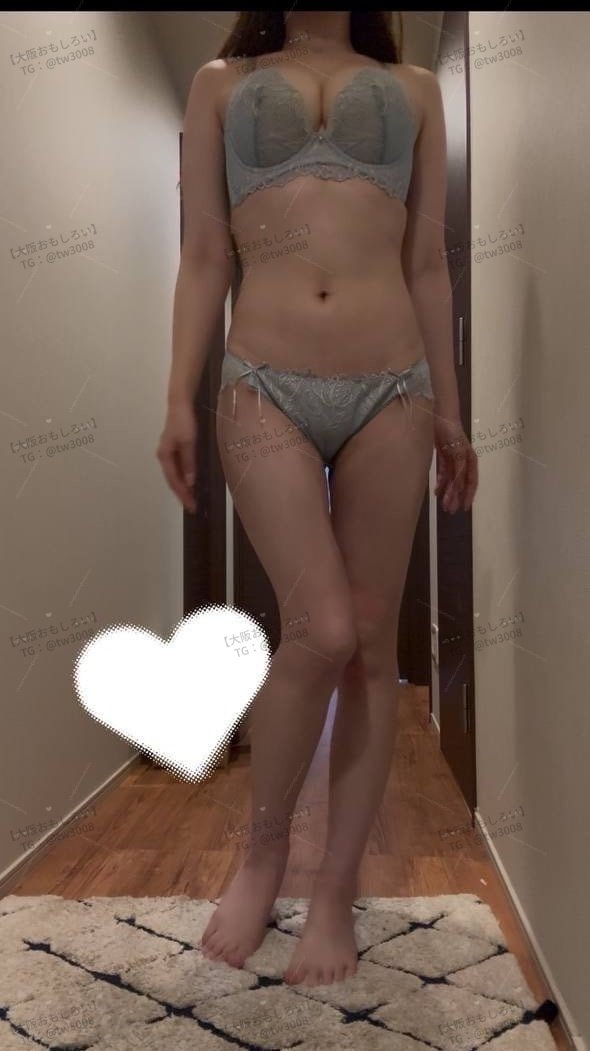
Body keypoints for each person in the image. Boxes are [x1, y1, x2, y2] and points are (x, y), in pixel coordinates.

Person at [157, 10, 478, 987]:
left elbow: (426, 263)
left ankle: (334, 891)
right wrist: (175, 398)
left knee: (371, 643)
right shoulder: (220, 81)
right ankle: (262, 857)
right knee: (321, 628)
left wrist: (452, 415)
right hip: (264, 383)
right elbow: (204, 255)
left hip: (394, 388)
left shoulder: (416, 89)